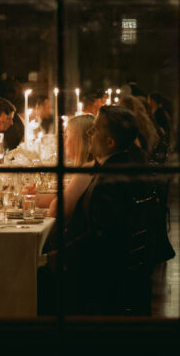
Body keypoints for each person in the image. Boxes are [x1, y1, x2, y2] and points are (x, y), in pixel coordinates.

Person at [46, 105, 151, 314]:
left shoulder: (110, 179)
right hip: (106, 264)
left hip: (99, 274)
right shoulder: (114, 167)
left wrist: (60, 255)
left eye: (94, 130)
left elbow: (102, 236)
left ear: (110, 142)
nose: (88, 133)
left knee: (35, 275)